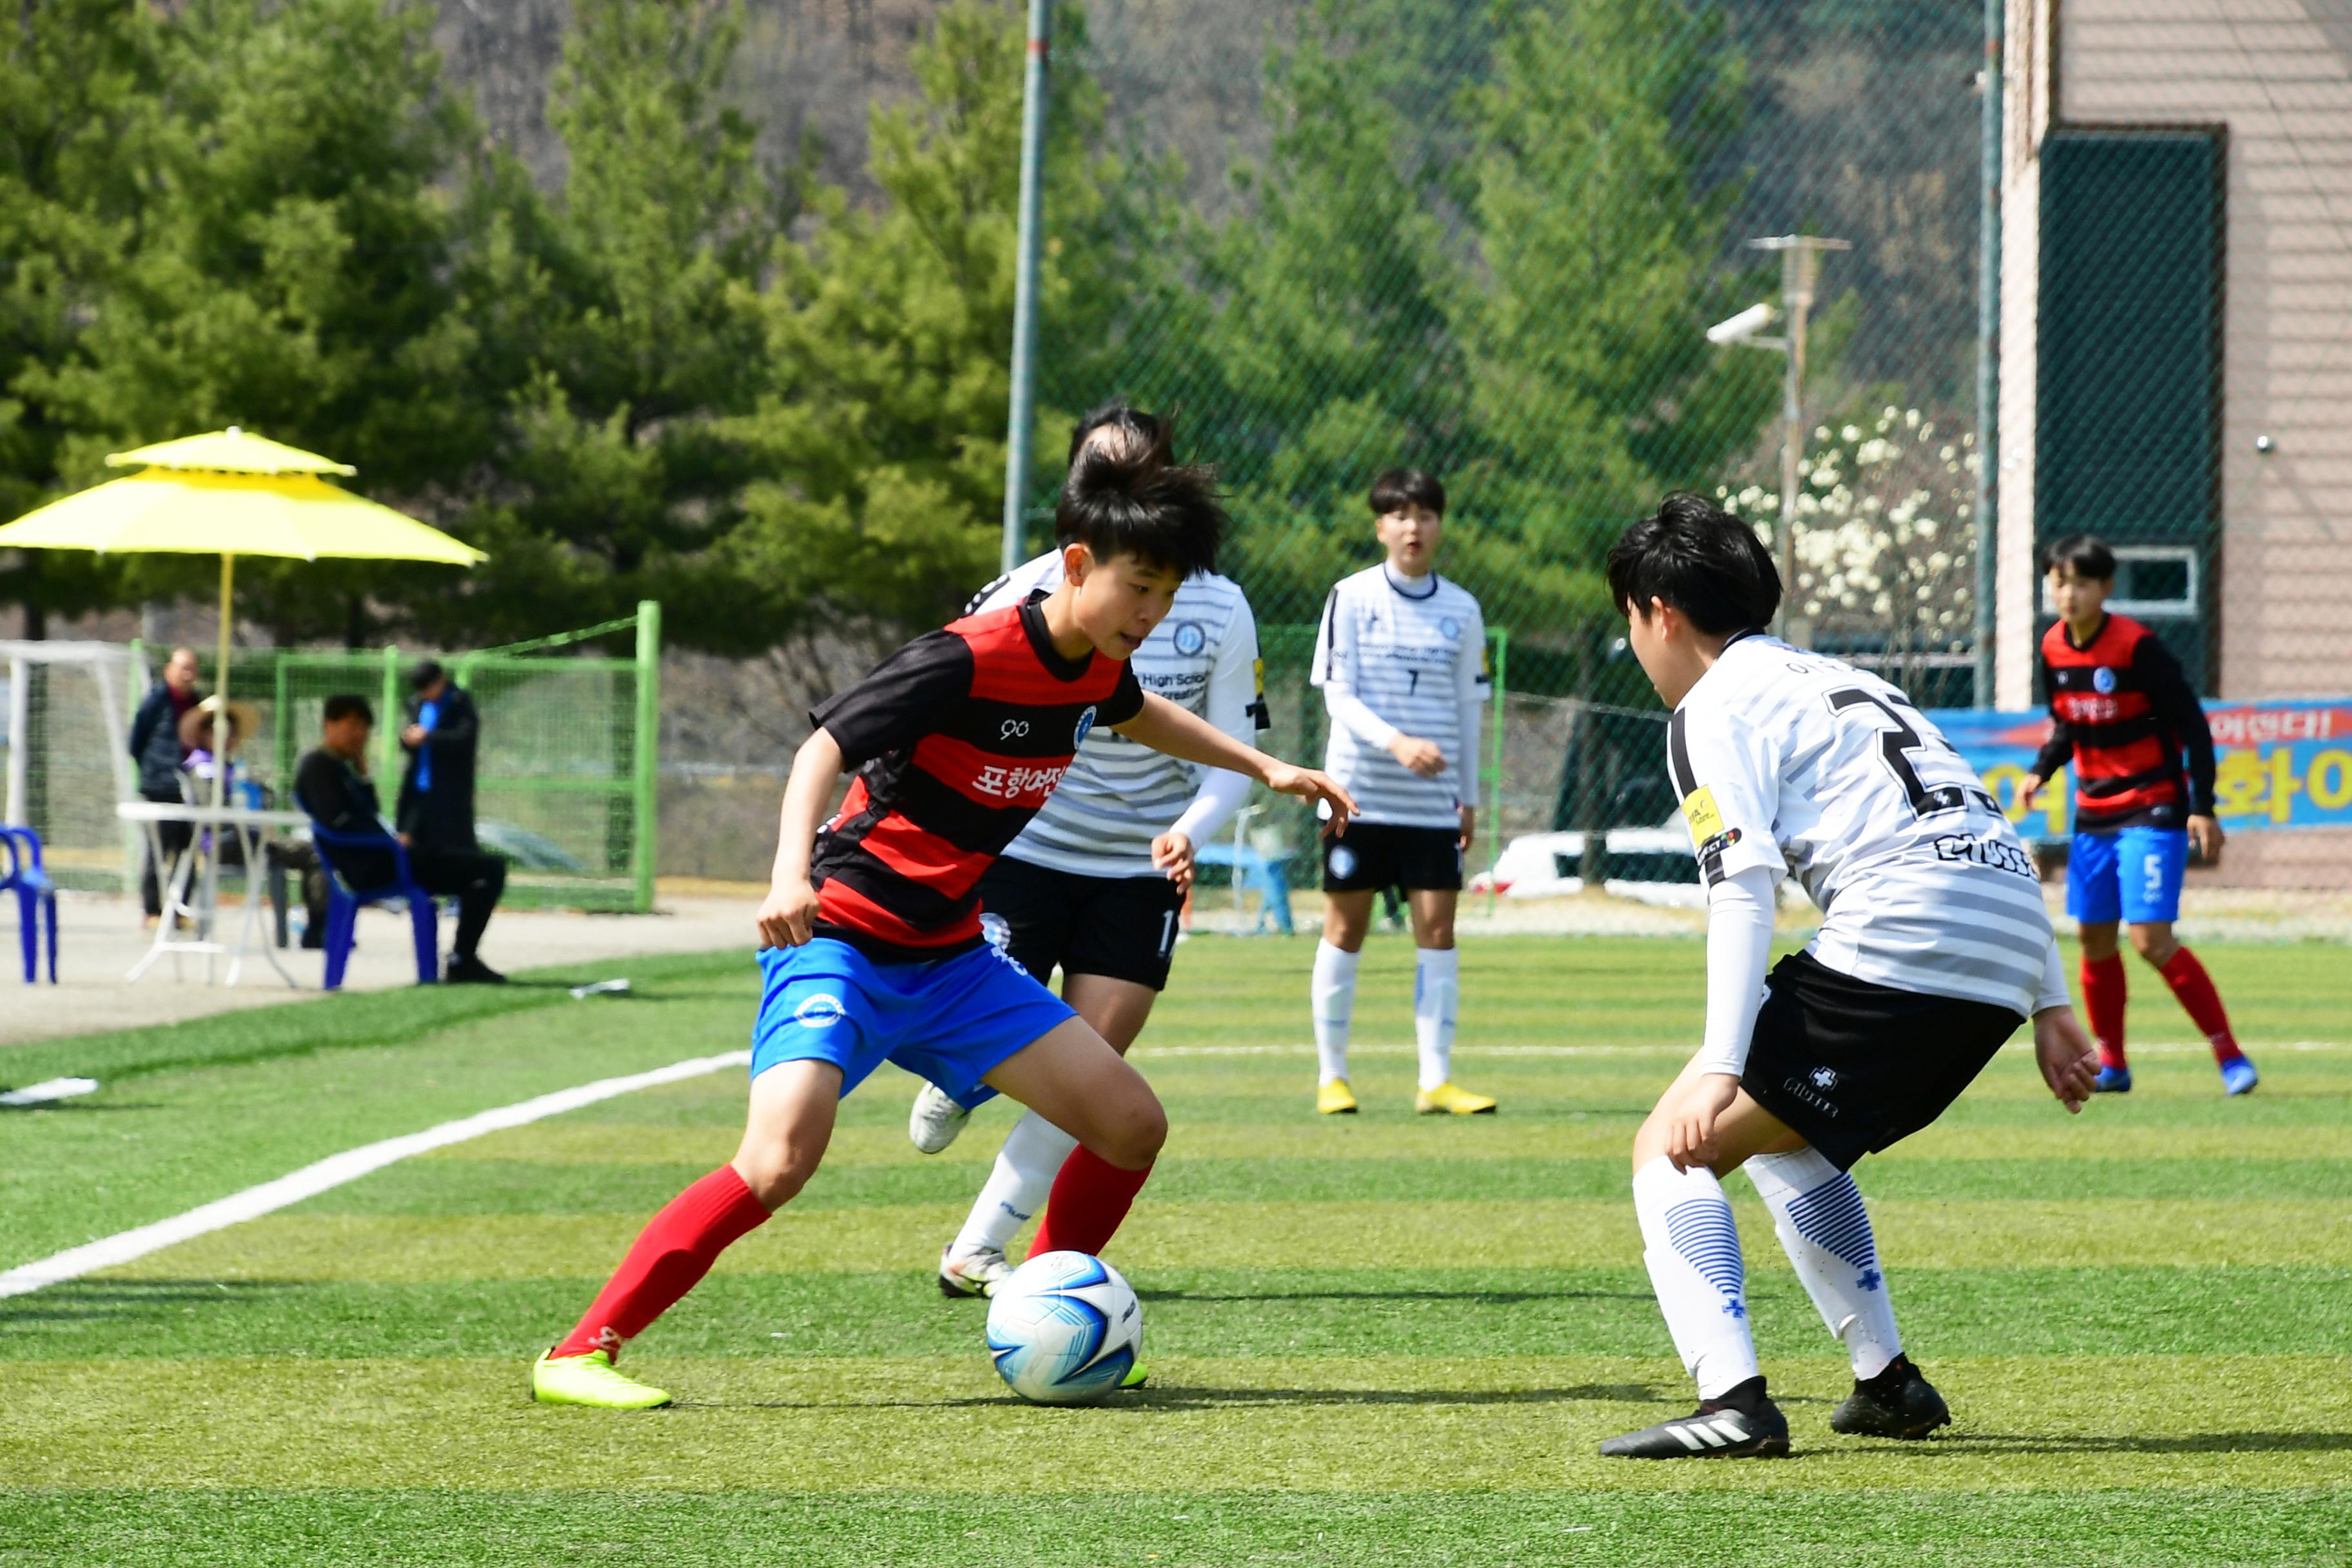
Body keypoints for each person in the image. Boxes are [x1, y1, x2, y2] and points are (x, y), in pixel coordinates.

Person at [528, 424, 1355, 1411]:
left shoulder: (1095, 663)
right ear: (1079, 564)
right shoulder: (968, 656)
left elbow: (1137, 710)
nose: (1153, 612)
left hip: (953, 960)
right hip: (842, 942)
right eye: (1140, 587)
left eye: (1169, 595)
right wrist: (788, 875)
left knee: (1132, 1124)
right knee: (780, 1159)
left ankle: (1056, 1299)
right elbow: (821, 748)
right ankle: (581, 1352)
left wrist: (1265, 766)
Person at [1596, 494, 2097, 1460]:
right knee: (1794, 1142)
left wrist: (1718, 1059)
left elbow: (1742, 887)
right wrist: (2048, 1000)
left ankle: (1733, 1403)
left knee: (1669, 1151)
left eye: (1630, 622)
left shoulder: (1709, 709)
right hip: (2000, 942)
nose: (1637, 647)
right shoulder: (1843, 680)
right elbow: (1978, 822)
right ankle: (1888, 1383)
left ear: (1659, 612)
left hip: (1906, 940)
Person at [905, 403, 1270, 1300]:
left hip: (1136, 870)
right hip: (1024, 849)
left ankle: (982, 1249)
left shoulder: (1219, 606)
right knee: (1003, 1028)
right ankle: (965, 1073)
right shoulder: (1018, 592)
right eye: (1100, 474)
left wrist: (1190, 831)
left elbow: (1233, 753)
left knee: (1096, 1062)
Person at [2017, 536, 2253, 1097]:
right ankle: (2114, 1064)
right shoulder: (2053, 647)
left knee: (2150, 938)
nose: (2067, 593)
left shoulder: (2136, 647)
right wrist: (2043, 769)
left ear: (2106, 588)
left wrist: (2202, 807)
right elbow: (2068, 723)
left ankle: (2230, 1055)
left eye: (2080, 582)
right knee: (2095, 940)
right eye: (2058, 582)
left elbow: (2194, 726)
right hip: (2094, 814)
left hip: (2152, 806)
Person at [1307, 467, 1494, 1117]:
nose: (1415, 527)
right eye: (1401, 515)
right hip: (1359, 796)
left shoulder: (1462, 609)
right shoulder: (1351, 597)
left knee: (1438, 929)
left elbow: (1471, 706)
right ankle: (1334, 1077)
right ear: (1380, 525)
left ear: (1441, 525)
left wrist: (1468, 797)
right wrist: (1397, 743)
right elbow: (1338, 695)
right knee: (1344, 925)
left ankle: (1435, 1081)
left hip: (1432, 805)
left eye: (1427, 515)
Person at [294, 694, 509, 983]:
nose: (359, 735)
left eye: (364, 729)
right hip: (373, 864)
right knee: (489, 869)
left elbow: (369, 812)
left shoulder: (343, 766)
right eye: (352, 725)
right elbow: (339, 822)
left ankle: (462, 958)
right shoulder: (317, 764)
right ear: (330, 724)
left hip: (384, 857)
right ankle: (462, 960)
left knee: (479, 870)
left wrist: (364, 775)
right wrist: (389, 843)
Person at [128, 647, 201, 922]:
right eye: (183, 667)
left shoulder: (198, 702)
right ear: (169, 670)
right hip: (160, 786)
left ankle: (180, 909)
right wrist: (154, 770)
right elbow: (137, 739)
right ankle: (151, 909)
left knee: (187, 850)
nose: (187, 674)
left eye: (192, 668)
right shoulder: (157, 699)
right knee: (158, 849)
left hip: (188, 786)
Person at [397, 660, 482, 854]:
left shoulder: (459, 702)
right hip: (419, 788)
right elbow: (412, 739)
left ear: (440, 681)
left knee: (452, 846)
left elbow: (465, 738)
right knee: (411, 841)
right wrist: (407, 740)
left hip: (449, 790)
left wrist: (429, 737)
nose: (425, 694)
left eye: (428, 688)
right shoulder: (417, 704)